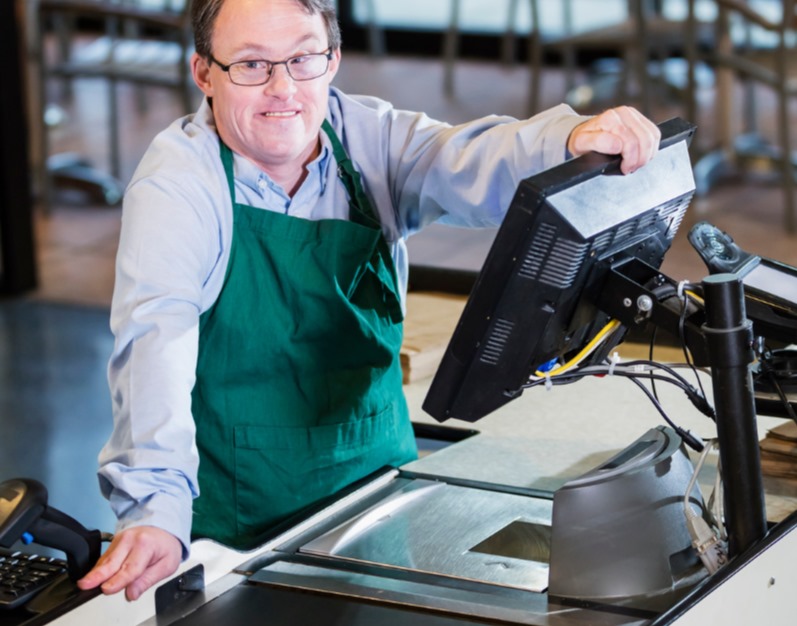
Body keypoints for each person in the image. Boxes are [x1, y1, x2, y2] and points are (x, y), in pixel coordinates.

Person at [77, 0, 661, 602]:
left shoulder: (367, 137)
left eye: (302, 60)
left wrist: (569, 139)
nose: (283, 89)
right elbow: (155, 341)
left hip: (380, 492)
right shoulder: (179, 184)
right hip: (245, 526)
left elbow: (466, 158)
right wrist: (155, 510)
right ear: (205, 73)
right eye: (251, 65)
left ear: (332, 61)